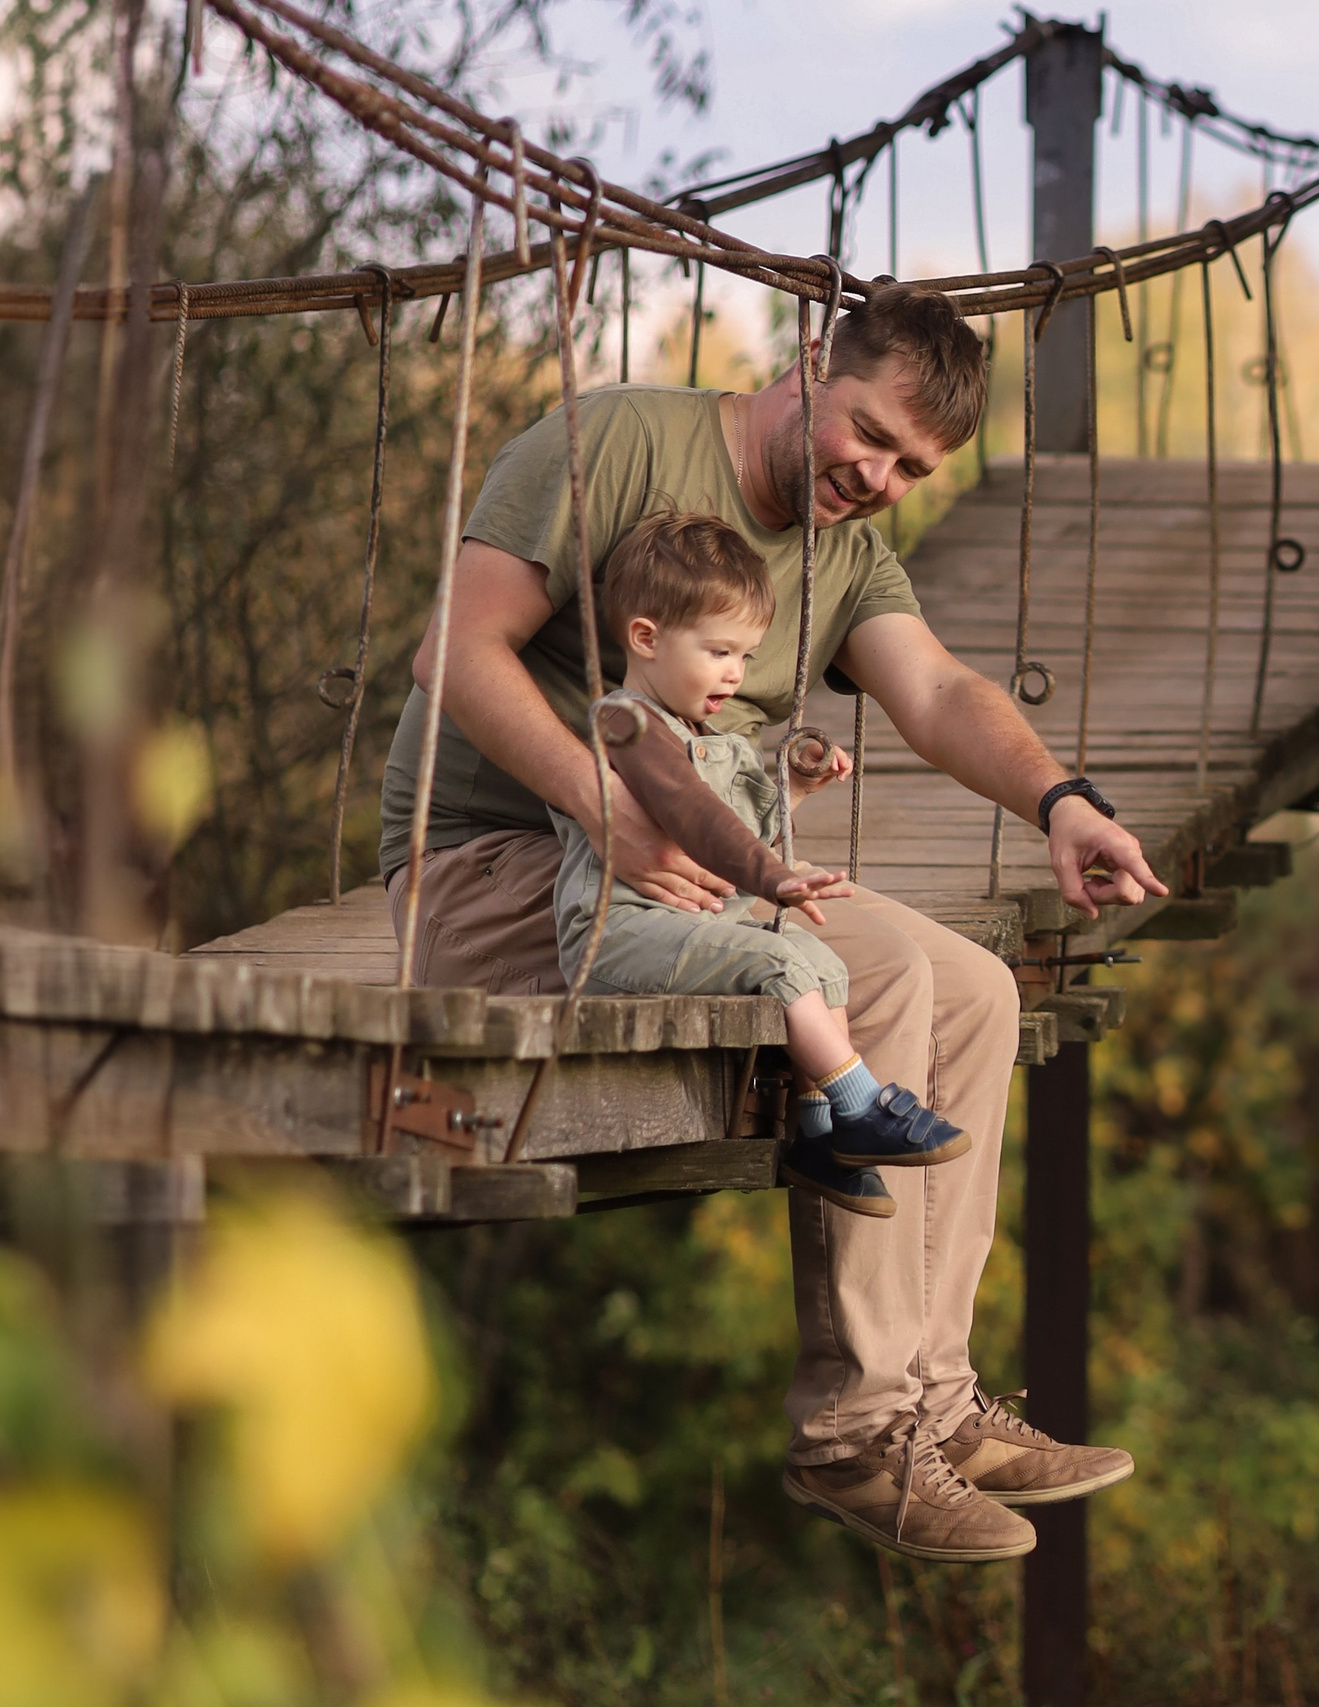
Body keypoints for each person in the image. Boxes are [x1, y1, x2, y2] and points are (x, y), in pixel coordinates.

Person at [376, 283, 1167, 1563]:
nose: (883, 475)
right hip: (500, 872)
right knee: (892, 974)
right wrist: (601, 799)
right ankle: (858, 1438)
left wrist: (1059, 800)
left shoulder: (845, 542)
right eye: (872, 434)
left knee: (979, 990)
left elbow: (939, 689)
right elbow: (453, 653)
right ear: (810, 362)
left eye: (915, 466)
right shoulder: (618, 439)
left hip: (681, 881)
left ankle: (936, 1400)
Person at [552, 510, 972, 1225]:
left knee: (819, 961)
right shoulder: (625, 723)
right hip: (617, 935)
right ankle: (860, 1103)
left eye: (745, 656)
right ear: (646, 638)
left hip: (686, 925)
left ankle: (819, 1135)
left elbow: (741, 828)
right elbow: (694, 817)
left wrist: (796, 788)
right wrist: (774, 878)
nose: (736, 673)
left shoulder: (704, 735)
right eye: (719, 651)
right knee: (784, 964)